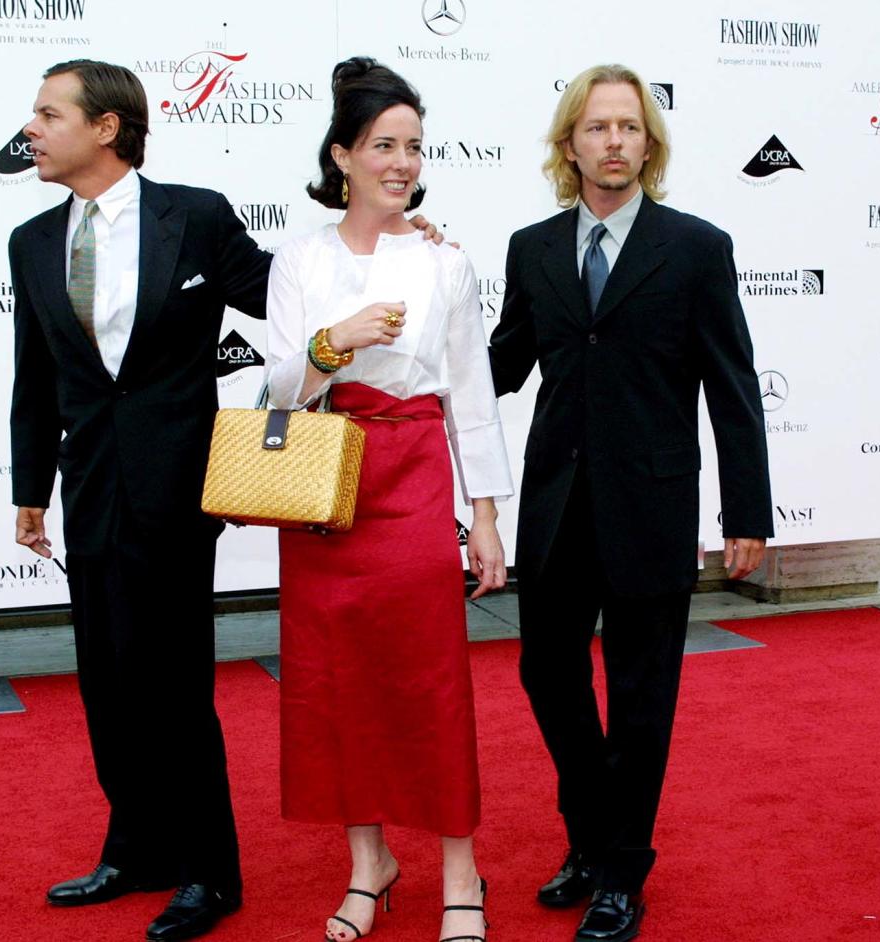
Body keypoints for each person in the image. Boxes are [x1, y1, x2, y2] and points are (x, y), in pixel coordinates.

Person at [10, 57, 444, 942]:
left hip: (179, 487)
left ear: (105, 127)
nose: (32, 129)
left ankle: (210, 873)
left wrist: (389, 235)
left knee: (173, 686)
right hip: (91, 485)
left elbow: (286, 289)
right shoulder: (28, 242)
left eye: (48, 114)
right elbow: (34, 378)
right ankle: (134, 850)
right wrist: (30, 491)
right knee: (105, 682)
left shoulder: (195, 217)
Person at [486, 64, 773, 942]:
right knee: (549, 677)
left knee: (644, 696)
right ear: (568, 143)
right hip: (556, 508)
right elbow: (498, 368)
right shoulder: (531, 247)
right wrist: (429, 289)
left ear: (649, 144)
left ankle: (619, 871)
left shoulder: (696, 247)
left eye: (630, 128)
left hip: (649, 506)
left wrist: (747, 512)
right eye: (598, 127)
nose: (615, 141)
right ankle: (592, 837)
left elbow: (733, 388)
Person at [264, 57, 513, 942]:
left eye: (412, 146)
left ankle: (461, 871)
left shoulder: (445, 258)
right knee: (335, 685)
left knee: (431, 682)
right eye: (383, 145)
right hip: (327, 484)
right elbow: (280, 389)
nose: (402, 162)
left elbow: (471, 394)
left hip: (412, 476)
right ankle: (368, 865)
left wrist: (484, 515)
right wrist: (333, 344)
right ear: (342, 155)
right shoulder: (299, 257)